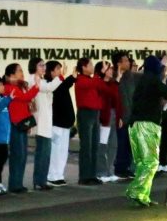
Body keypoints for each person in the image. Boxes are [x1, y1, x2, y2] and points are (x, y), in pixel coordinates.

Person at [126, 56, 167, 207]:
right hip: (147, 126)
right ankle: (136, 191)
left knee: (142, 162)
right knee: (151, 162)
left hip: (135, 125)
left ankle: (143, 195)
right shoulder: (151, 80)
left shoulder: (143, 81)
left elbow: (150, 106)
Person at [3, 62, 38, 193]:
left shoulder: (20, 86)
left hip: (22, 123)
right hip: (14, 124)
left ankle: (19, 183)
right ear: (11, 75)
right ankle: (14, 184)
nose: (22, 73)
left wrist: (28, 123)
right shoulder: (9, 87)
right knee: (17, 154)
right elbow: (25, 98)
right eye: (19, 71)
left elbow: (26, 104)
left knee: (23, 155)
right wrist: (37, 86)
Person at [29, 57, 60, 191]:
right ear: (34, 67)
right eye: (40, 65)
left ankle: (41, 179)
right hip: (40, 121)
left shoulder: (41, 80)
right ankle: (39, 180)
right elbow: (49, 88)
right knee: (42, 152)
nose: (43, 68)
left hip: (46, 121)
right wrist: (60, 77)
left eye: (44, 65)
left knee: (45, 153)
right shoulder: (33, 79)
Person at [73, 57, 104, 185]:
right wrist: (98, 73)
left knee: (94, 146)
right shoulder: (80, 80)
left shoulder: (92, 79)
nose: (91, 67)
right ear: (84, 67)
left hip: (95, 114)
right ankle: (84, 176)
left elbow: (101, 87)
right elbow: (92, 84)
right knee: (86, 146)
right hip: (85, 114)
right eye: (90, 65)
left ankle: (92, 174)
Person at [48, 61, 77, 186]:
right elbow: (63, 86)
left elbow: (64, 85)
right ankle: (52, 175)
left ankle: (59, 174)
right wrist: (71, 78)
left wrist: (69, 78)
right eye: (57, 69)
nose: (60, 71)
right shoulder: (51, 85)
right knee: (55, 151)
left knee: (63, 151)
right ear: (51, 72)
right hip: (57, 123)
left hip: (65, 124)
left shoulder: (60, 83)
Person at [113, 53, 139, 180]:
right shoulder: (115, 78)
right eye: (125, 61)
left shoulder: (130, 76)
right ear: (119, 63)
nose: (128, 63)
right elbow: (119, 98)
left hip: (131, 115)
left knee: (128, 144)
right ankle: (120, 168)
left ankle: (127, 167)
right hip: (121, 116)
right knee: (121, 143)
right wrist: (121, 116)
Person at [95, 61, 121, 182]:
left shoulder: (113, 84)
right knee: (103, 145)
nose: (111, 71)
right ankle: (101, 172)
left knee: (113, 144)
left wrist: (120, 116)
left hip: (114, 115)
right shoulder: (99, 83)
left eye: (111, 69)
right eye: (108, 69)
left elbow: (118, 100)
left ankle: (110, 170)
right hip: (104, 116)